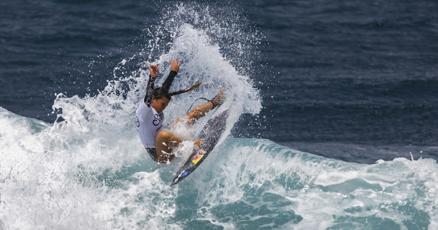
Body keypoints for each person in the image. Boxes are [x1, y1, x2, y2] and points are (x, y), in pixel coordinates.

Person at [136, 59, 224, 163]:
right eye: (162, 104)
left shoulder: (156, 107)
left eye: (166, 105)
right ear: (153, 100)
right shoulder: (144, 111)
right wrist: (152, 78)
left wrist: (173, 72)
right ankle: (193, 146)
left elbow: (163, 91)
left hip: (171, 144)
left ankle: (216, 101)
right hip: (161, 156)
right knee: (163, 135)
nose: (163, 107)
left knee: (192, 114)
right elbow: (148, 96)